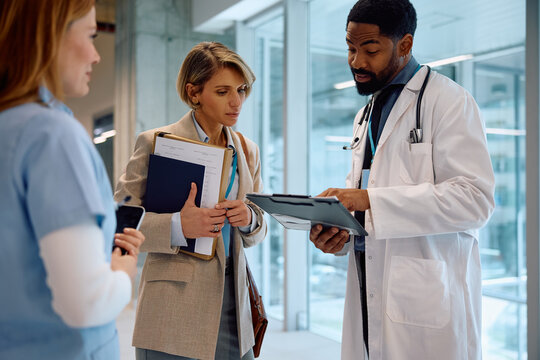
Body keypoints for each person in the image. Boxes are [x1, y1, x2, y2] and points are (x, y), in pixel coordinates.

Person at [309, 1, 495, 359]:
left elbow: (475, 200)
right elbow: (371, 205)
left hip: (426, 302)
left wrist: (368, 202)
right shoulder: (366, 114)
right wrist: (342, 233)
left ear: (405, 45)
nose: (356, 62)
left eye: (370, 49)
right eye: (350, 48)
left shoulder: (449, 101)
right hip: (368, 288)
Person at [0, 0, 146, 359]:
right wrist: (123, 272)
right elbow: (86, 302)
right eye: (91, 36)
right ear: (51, 36)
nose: (97, 56)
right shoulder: (52, 134)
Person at [114, 41, 267, 360]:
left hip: (232, 304)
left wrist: (249, 218)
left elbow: (260, 227)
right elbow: (121, 220)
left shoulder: (247, 150)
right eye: (223, 91)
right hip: (172, 303)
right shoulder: (156, 143)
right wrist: (178, 225)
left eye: (241, 90)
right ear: (194, 92)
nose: (236, 102)